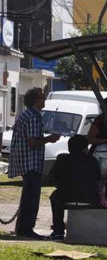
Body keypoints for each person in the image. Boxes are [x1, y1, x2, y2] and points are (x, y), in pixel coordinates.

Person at [8, 88, 61, 239]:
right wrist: (49, 139)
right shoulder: (32, 117)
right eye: (42, 98)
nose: (44, 101)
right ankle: (26, 229)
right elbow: (32, 142)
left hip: (27, 161)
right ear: (35, 101)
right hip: (30, 161)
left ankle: (22, 228)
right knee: (31, 198)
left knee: (28, 196)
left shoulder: (27, 115)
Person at [48, 135, 101, 240]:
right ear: (85, 148)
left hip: (66, 197)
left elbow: (53, 178)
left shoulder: (62, 160)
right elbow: (98, 179)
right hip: (89, 198)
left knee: (55, 196)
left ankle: (58, 231)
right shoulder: (93, 161)